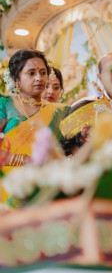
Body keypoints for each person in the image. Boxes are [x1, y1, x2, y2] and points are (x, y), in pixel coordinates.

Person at [0, 49, 70, 201]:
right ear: (16, 79)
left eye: (43, 73)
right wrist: (28, 161)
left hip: (45, 188)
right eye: (31, 73)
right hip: (8, 187)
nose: (39, 78)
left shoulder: (60, 111)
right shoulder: (4, 105)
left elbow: (68, 150)